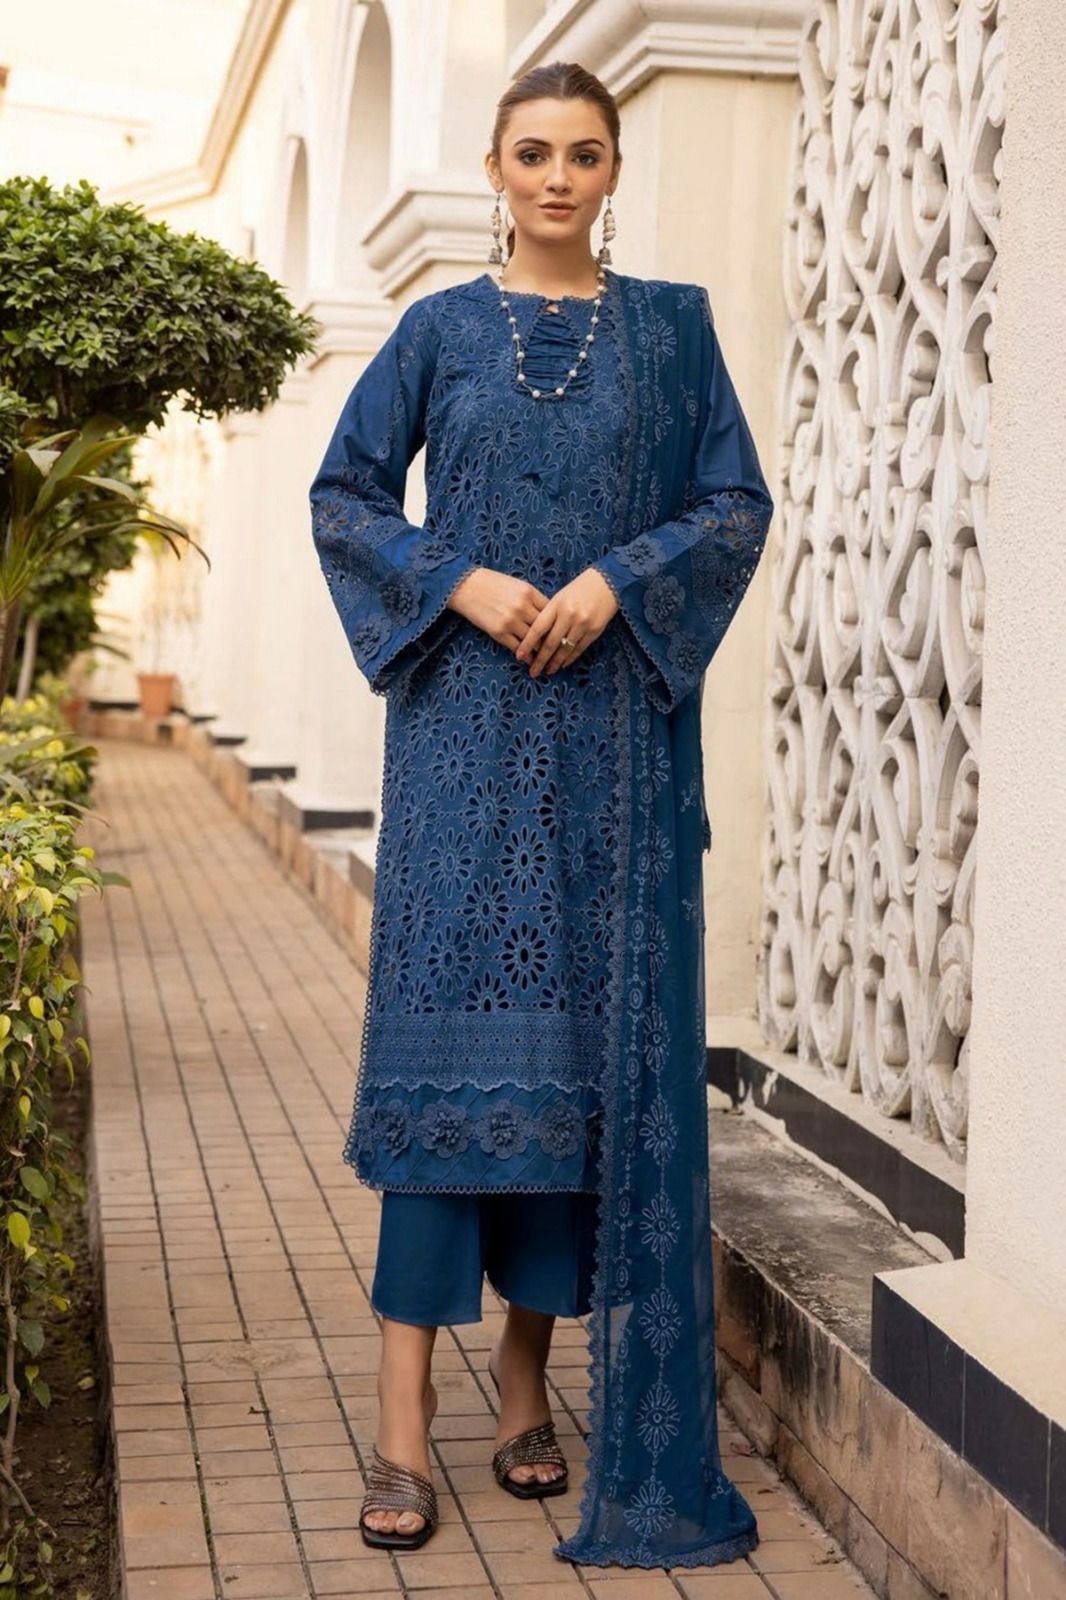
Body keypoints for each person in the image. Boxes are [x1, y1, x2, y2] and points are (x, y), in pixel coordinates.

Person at [309, 59, 774, 1571]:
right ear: (497, 170)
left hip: (607, 757)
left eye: (582, 153)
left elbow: (732, 506)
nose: (557, 178)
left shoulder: (672, 329)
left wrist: (613, 584)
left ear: (613, 169)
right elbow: (344, 494)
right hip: (459, 747)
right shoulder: (438, 330)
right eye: (531, 154)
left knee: (575, 1083)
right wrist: (459, 580)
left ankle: (523, 1390)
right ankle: (399, 1426)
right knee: (439, 1071)